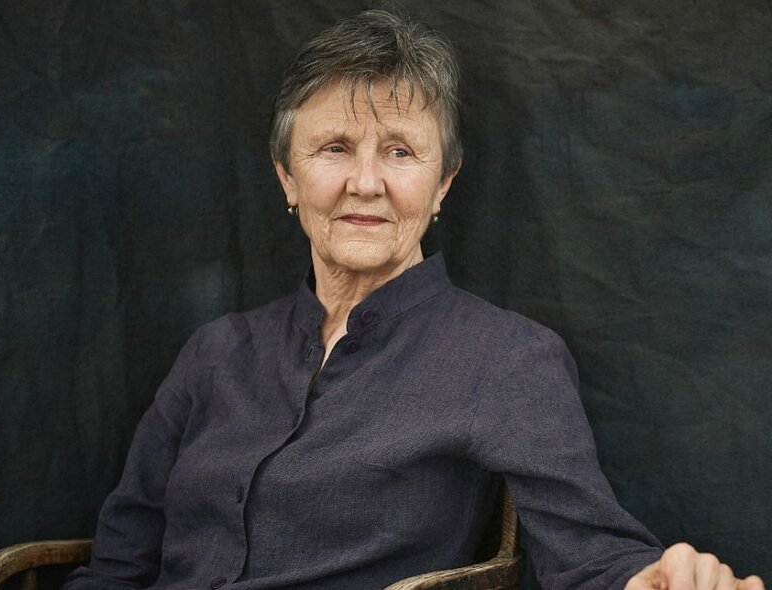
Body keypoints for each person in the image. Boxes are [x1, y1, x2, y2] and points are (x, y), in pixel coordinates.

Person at [64, 10, 765, 590]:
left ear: (443, 185)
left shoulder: (506, 358)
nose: (366, 183)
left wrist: (656, 580)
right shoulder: (214, 353)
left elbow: (591, 555)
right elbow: (121, 559)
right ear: (286, 177)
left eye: (400, 151)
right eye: (335, 147)